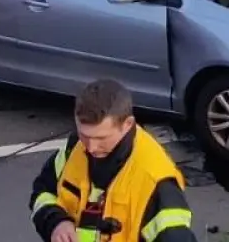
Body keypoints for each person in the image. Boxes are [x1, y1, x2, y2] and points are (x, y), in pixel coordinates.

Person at [29, 79, 196, 242]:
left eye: (102, 138)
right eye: (85, 135)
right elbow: (42, 193)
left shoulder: (155, 180)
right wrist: (57, 223)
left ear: (127, 124)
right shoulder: (75, 149)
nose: (91, 148)